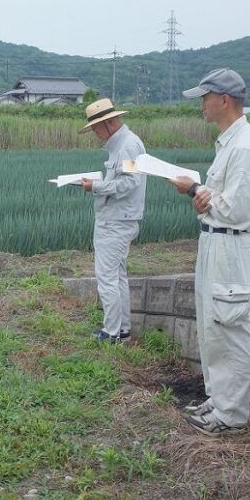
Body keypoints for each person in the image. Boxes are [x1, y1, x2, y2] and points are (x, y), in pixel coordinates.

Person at [169, 68, 250, 437]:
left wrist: (193, 188)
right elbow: (216, 202)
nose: (202, 104)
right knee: (212, 323)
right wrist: (201, 199)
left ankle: (231, 414)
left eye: (205, 97)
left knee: (230, 326)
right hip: (215, 239)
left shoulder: (244, 147)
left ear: (223, 100)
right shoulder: (230, 142)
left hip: (231, 243)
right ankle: (218, 397)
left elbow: (236, 210)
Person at [79, 98, 146, 343]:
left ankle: (111, 333)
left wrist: (95, 185)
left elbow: (130, 182)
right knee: (117, 276)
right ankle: (122, 329)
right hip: (118, 218)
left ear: (109, 123)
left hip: (117, 221)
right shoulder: (123, 145)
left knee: (107, 277)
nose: (95, 133)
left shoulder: (128, 146)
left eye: (96, 128)